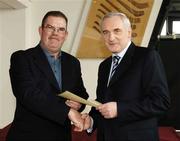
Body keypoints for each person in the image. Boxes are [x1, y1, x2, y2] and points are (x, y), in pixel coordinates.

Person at [82, 12, 170, 141]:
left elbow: (161, 102)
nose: (111, 37)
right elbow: (103, 102)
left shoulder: (147, 57)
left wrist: (120, 109)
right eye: (106, 32)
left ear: (129, 32)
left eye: (117, 30)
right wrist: (91, 121)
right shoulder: (104, 66)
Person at [6, 10, 88, 141]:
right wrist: (67, 111)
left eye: (61, 29)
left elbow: (81, 93)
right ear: (40, 30)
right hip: (28, 136)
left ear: (65, 35)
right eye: (50, 27)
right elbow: (28, 94)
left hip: (62, 136)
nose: (55, 33)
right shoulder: (21, 58)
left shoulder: (73, 63)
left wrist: (78, 104)